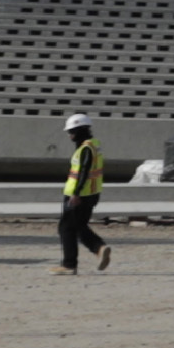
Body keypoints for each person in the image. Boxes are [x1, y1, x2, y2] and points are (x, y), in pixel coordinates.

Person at [55, 113, 109, 272]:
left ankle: (70, 265)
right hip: (92, 194)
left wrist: (76, 194)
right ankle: (99, 249)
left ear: (81, 130)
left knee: (66, 228)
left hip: (78, 195)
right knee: (78, 226)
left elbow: (84, 172)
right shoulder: (95, 145)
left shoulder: (85, 149)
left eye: (73, 131)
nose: (70, 135)